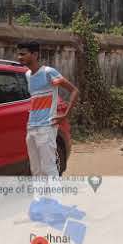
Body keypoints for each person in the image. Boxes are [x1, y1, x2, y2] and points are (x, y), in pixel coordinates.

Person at [16, 41, 79, 176]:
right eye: (19, 54)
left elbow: (74, 91)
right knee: (35, 170)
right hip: (31, 127)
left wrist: (66, 114)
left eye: (23, 54)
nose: (19, 57)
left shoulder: (48, 72)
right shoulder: (28, 75)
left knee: (49, 168)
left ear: (35, 54)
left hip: (46, 127)